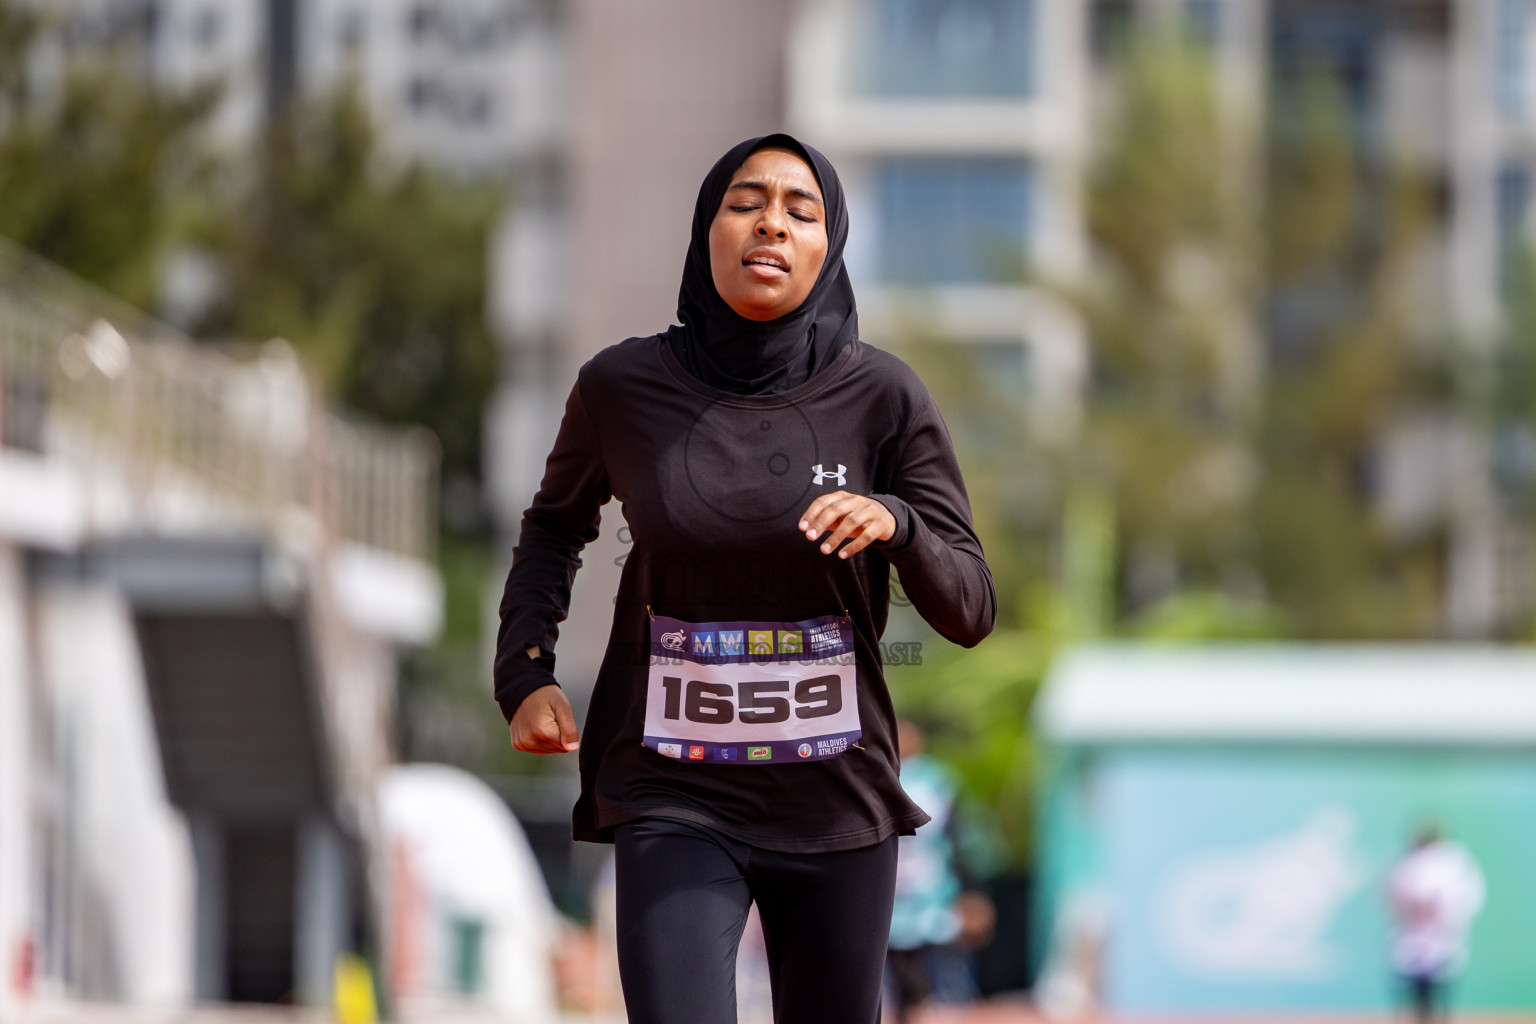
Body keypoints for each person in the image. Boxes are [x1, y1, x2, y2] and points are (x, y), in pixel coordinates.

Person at [492, 133, 995, 1024]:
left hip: (838, 801)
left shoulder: (885, 395)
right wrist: (526, 670)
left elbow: (968, 606)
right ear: (707, 229)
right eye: (745, 202)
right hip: (673, 788)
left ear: (828, 244)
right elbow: (554, 527)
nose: (772, 225)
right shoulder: (622, 386)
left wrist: (898, 522)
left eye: (801, 212)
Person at [1386, 824, 1485, 1024]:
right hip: (1411, 931)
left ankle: (1439, 1017)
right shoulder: (1406, 859)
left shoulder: (1454, 862)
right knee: (1411, 982)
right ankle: (1418, 1016)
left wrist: (1444, 910)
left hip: (1442, 931)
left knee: (1442, 979)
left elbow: (1467, 895)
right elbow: (1393, 893)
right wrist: (1410, 907)